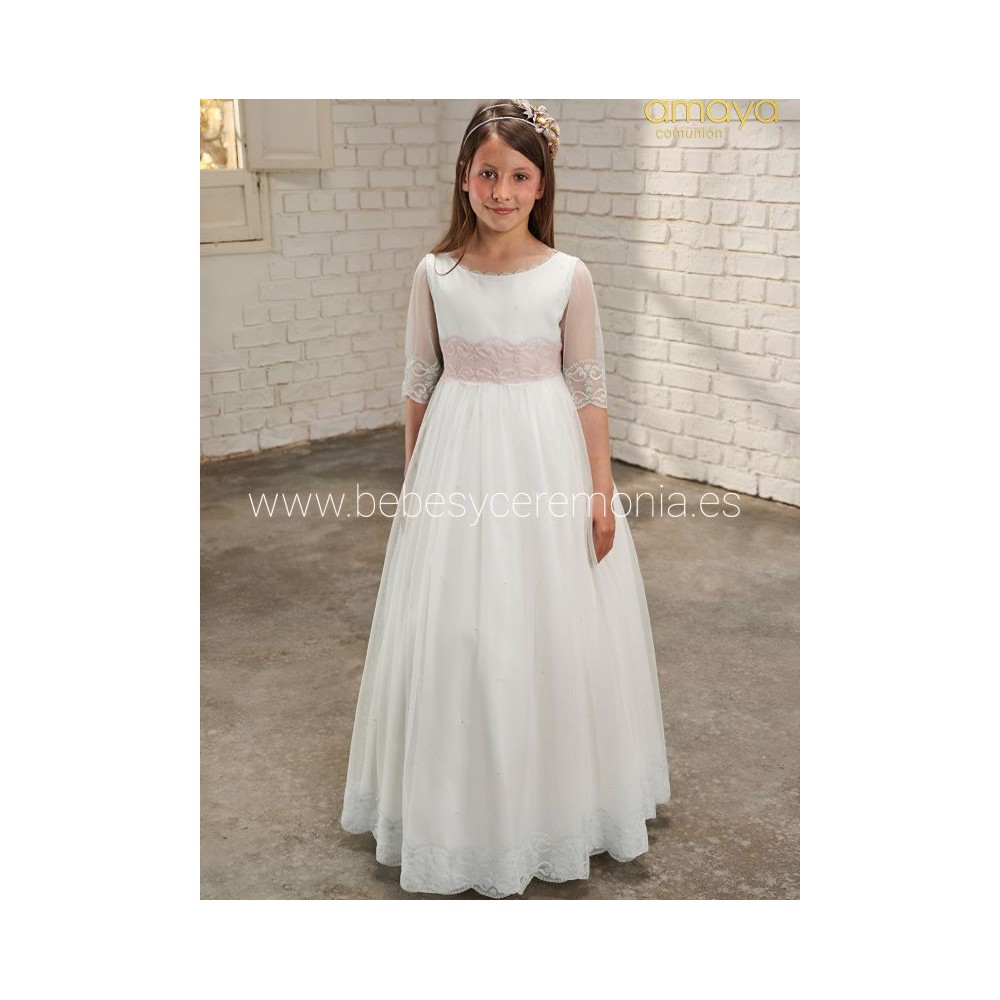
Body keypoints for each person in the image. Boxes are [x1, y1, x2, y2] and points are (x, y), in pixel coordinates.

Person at [340, 99, 670, 898]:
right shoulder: (435, 274)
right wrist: (414, 483)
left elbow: (588, 389)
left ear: (540, 185)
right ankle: (460, 810)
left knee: (549, 621)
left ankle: (556, 802)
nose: (502, 191)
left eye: (520, 176)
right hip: (456, 462)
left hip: (544, 460)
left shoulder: (567, 275)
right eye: (488, 174)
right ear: (464, 177)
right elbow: (419, 383)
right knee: (460, 625)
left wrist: (601, 489)